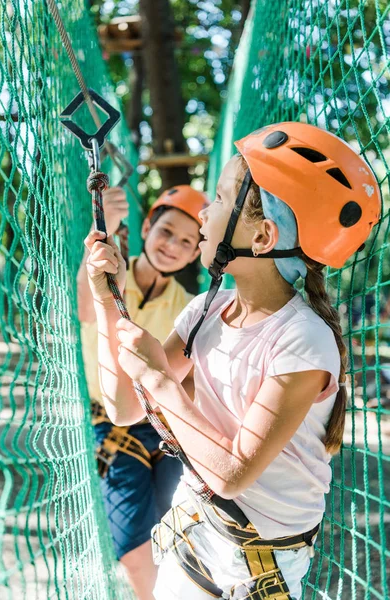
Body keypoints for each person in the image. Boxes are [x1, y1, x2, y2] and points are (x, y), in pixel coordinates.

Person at [84, 122, 380, 599]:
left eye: (220, 200)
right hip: (194, 545)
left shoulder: (304, 339)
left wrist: (159, 381)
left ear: (262, 236)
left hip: (255, 573)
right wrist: (105, 297)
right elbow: (123, 406)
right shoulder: (206, 310)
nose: (204, 212)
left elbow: (231, 473)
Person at [77, 184, 208, 600]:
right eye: (166, 231)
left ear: (194, 256)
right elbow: (84, 306)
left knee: (172, 529)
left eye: (187, 242)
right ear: (147, 227)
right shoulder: (110, 269)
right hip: (112, 422)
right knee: (134, 549)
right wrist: (103, 234)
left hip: (164, 427)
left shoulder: (189, 305)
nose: (172, 246)